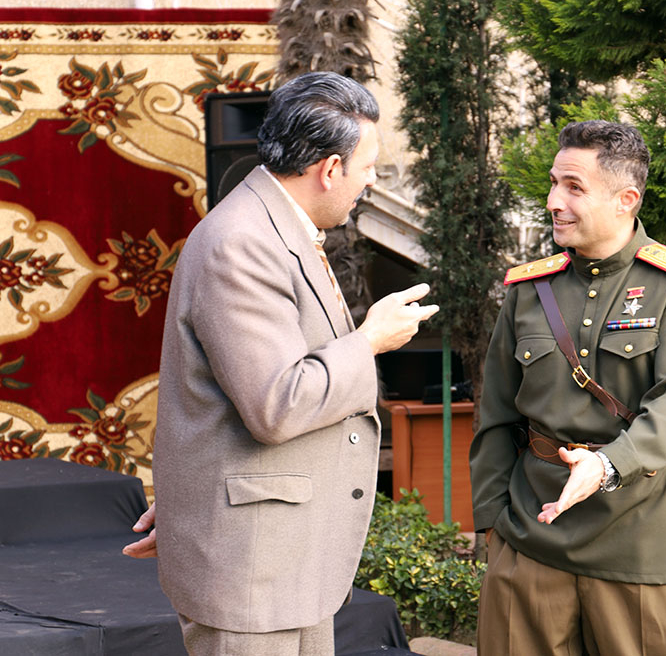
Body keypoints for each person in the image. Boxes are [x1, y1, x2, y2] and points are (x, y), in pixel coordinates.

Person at [123, 71, 438, 655]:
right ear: (329, 169)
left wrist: (189, 496)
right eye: (368, 165)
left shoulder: (280, 226)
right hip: (252, 569)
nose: (373, 179)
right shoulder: (243, 241)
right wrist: (370, 340)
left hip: (281, 560)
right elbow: (277, 404)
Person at [469, 120, 666, 655]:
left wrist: (606, 465)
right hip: (530, 538)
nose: (553, 201)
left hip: (644, 541)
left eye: (574, 187)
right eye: (554, 183)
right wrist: (492, 525)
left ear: (626, 199)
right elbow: (496, 414)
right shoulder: (529, 289)